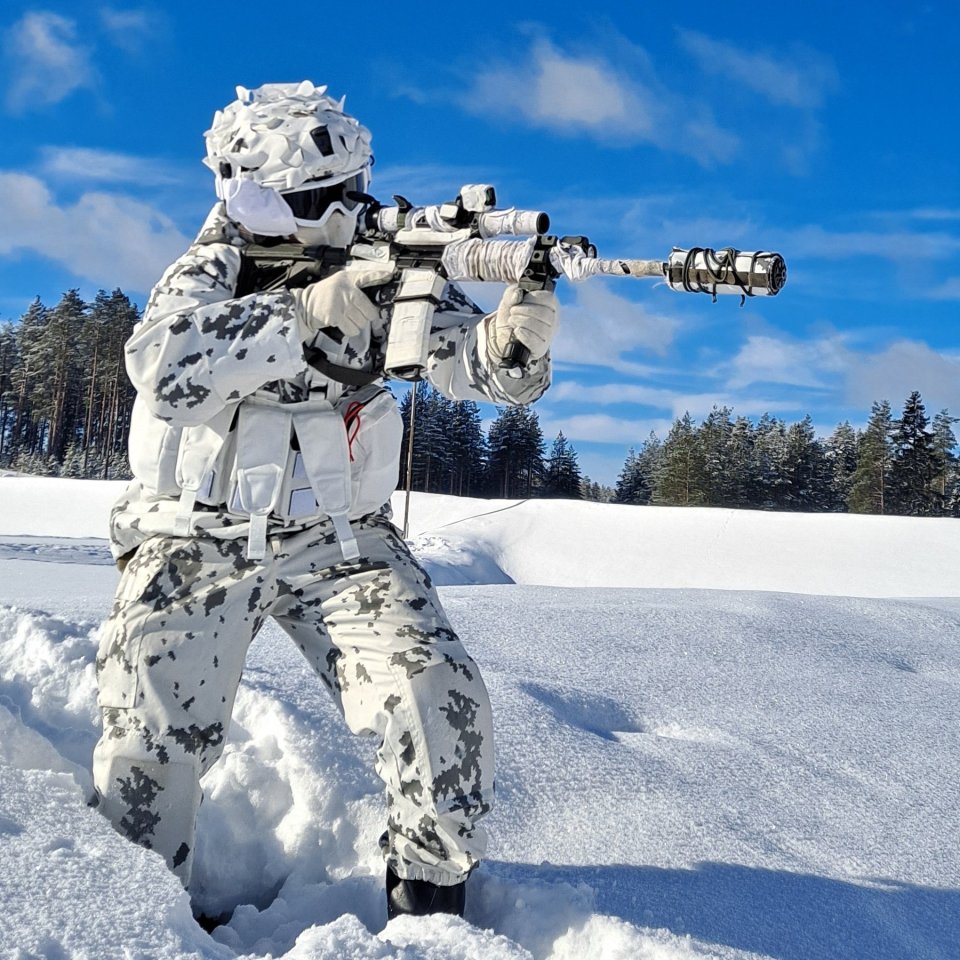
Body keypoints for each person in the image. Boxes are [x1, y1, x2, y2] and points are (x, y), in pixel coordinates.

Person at [91, 81, 559, 921]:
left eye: (349, 191)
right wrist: (301, 313)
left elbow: (469, 367)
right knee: (149, 747)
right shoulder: (212, 266)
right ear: (251, 189)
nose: (343, 212)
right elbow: (162, 364)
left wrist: (513, 342)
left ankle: (430, 911)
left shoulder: (381, 269)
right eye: (319, 197)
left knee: (437, 697)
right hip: (190, 538)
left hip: (341, 541)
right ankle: (136, 920)